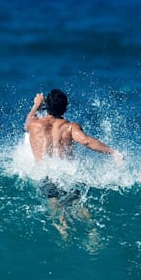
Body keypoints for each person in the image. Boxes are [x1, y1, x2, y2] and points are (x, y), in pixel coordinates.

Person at [24, 89, 122, 232]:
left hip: (45, 173)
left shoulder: (34, 124)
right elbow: (86, 141)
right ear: (65, 107)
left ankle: (63, 229)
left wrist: (36, 105)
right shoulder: (69, 127)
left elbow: (26, 123)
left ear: (46, 106)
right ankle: (92, 231)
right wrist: (112, 152)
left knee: (54, 201)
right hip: (65, 174)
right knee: (77, 202)